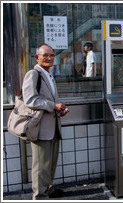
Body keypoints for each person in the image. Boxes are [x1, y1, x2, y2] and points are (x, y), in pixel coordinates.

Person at [22, 43, 70, 200]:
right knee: (40, 165)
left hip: (53, 126)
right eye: (45, 55)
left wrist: (59, 109)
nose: (49, 58)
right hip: (41, 127)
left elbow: (48, 100)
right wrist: (53, 106)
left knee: (50, 162)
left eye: (51, 55)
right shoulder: (33, 74)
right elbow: (30, 100)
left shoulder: (49, 75)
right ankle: (39, 195)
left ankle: (48, 189)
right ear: (37, 57)